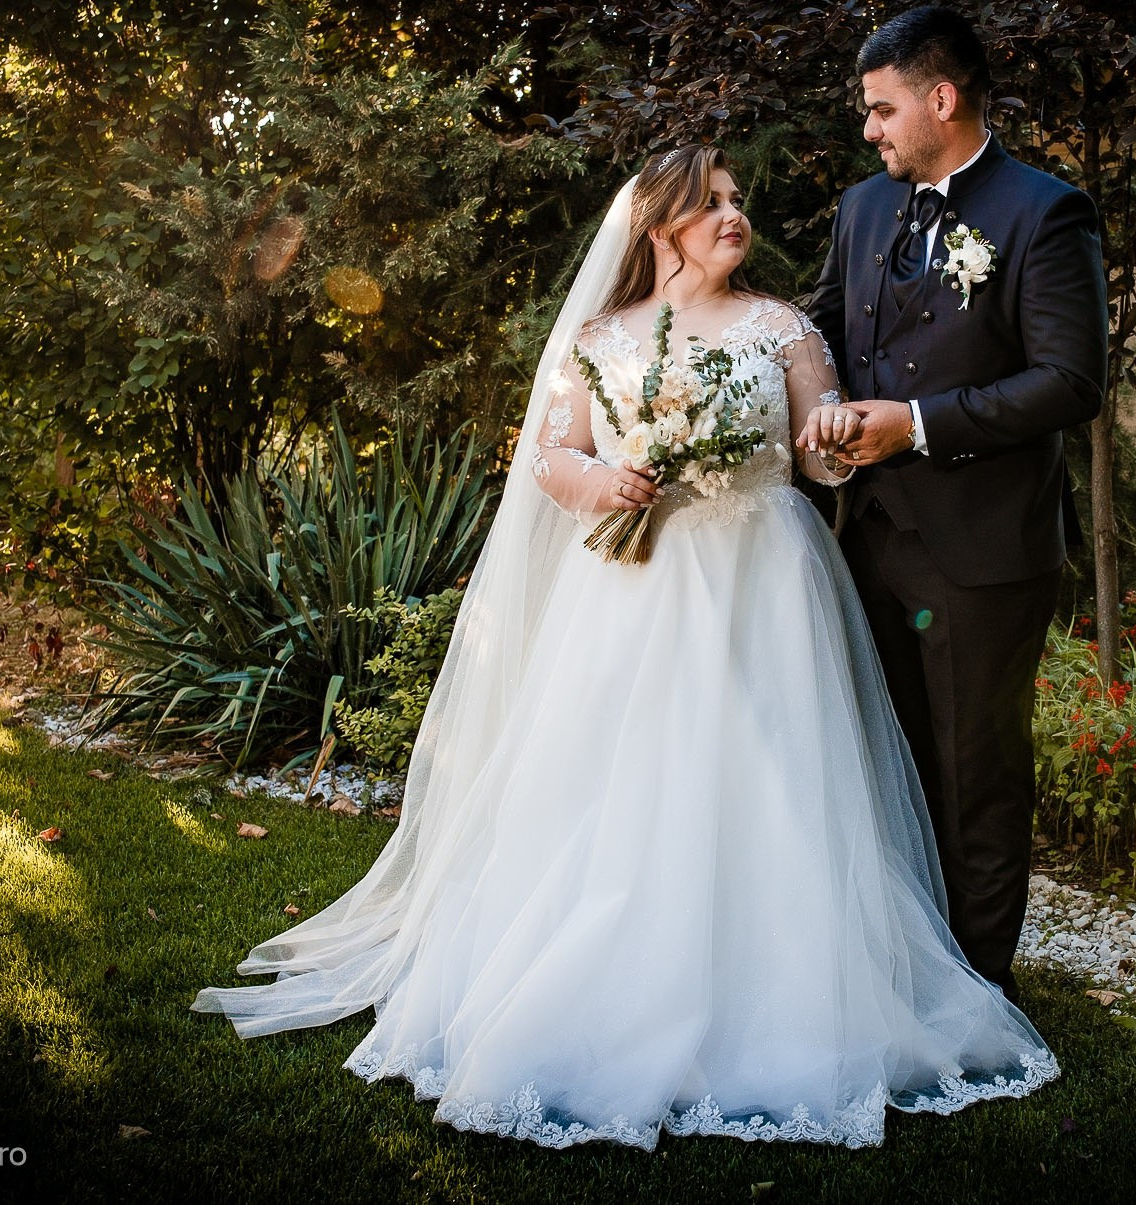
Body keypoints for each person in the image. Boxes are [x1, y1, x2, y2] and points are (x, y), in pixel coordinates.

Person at [192, 144, 1057, 1150]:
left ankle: (780, 978)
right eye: (713, 205)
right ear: (660, 229)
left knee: (771, 774)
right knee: (626, 781)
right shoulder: (598, 340)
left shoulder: (781, 327)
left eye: (738, 201)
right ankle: (615, 974)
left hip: (764, 581)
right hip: (635, 587)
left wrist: (829, 441)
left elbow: (821, 446)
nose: (735, 216)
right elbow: (552, 456)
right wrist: (600, 484)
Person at [807, 7, 1109, 1005]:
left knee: (974, 773)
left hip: (982, 552)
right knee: (884, 761)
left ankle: (977, 989)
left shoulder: (1043, 213)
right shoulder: (859, 210)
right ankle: (900, 961)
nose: (869, 130)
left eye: (880, 108)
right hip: (869, 540)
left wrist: (919, 423)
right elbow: (816, 339)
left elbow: (1070, 381)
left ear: (941, 98)